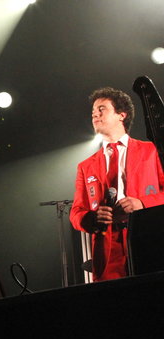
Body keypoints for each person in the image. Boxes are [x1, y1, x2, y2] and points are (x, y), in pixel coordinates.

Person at [70, 87, 164, 282]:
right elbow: (76, 212)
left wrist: (143, 203)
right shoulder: (85, 166)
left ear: (122, 115)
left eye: (101, 109)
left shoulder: (151, 150)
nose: (94, 114)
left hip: (148, 235)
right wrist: (92, 217)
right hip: (107, 245)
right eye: (93, 111)